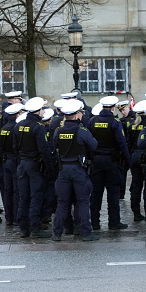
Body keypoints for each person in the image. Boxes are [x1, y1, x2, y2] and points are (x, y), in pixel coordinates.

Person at [52, 99, 99, 241]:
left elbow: (54, 147)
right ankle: (86, 232)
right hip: (78, 169)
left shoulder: (58, 131)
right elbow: (94, 145)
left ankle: (57, 233)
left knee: (62, 202)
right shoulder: (82, 131)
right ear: (77, 115)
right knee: (83, 201)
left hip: (64, 170)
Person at [87, 96, 130, 231]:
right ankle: (114, 222)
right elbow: (122, 143)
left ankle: (94, 222)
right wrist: (127, 161)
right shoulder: (115, 122)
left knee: (96, 193)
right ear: (112, 108)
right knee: (113, 193)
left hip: (96, 161)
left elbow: (87, 142)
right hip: (112, 161)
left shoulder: (92, 121)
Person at [13, 97, 53, 238]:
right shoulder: (38, 127)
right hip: (35, 165)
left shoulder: (19, 125)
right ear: (38, 111)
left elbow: (15, 147)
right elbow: (44, 149)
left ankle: (24, 227)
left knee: (24, 196)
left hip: (23, 163)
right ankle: (35, 227)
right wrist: (50, 167)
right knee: (36, 196)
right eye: (42, 109)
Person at [0, 103, 23, 226]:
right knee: (16, 190)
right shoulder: (16, 128)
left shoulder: (3, 128)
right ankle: (16, 216)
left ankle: (9, 216)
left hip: (6, 160)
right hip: (14, 160)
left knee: (8, 190)